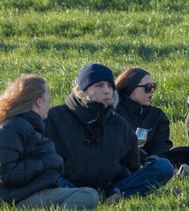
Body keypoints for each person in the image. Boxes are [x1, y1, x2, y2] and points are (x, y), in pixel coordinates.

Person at [44, 63, 174, 200]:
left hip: (108, 186)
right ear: (82, 90)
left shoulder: (120, 125)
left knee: (163, 167)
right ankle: (85, 196)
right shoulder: (54, 118)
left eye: (110, 86)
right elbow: (42, 161)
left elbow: (131, 167)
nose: (106, 90)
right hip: (68, 185)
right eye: (99, 85)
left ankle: (115, 196)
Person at [0, 74, 101, 211]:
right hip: (9, 203)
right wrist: (44, 163)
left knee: (83, 192)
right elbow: (3, 172)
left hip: (16, 197)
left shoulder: (21, 126)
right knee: (88, 196)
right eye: (48, 97)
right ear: (39, 102)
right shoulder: (12, 128)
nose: (50, 103)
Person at [114, 68, 173, 162]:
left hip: (147, 164)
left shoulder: (156, 115)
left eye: (154, 86)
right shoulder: (113, 113)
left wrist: (154, 158)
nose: (152, 90)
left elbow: (162, 146)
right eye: (148, 87)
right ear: (132, 89)